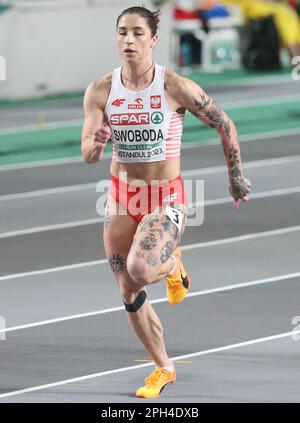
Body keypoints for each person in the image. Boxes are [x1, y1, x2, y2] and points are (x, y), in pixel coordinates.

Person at [81, 5, 251, 399]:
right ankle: (163, 368)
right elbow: (88, 153)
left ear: (153, 39)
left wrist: (235, 177)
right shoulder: (101, 91)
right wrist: (98, 142)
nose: (129, 40)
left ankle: (173, 265)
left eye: (138, 33)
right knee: (127, 288)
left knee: (141, 268)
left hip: (164, 196)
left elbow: (226, 125)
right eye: (122, 32)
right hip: (122, 197)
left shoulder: (175, 87)